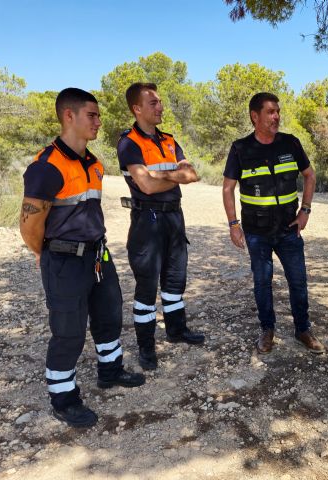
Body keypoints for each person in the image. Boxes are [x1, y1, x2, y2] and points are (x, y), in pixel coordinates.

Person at [20, 88, 145, 428]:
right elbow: (29, 224)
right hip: (64, 261)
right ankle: (63, 398)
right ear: (69, 116)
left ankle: (111, 370)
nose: (98, 121)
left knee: (108, 315)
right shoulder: (47, 166)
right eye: (92, 115)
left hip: (97, 256)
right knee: (68, 331)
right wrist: (42, 253)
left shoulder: (94, 162)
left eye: (99, 115)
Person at [222, 92, 325, 355]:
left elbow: (310, 176)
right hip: (257, 232)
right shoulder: (240, 148)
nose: (276, 116)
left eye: (277, 111)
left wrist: (306, 210)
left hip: (289, 229)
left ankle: (303, 329)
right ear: (254, 116)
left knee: (298, 281)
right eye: (270, 112)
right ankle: (267, 330)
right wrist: (234, 224)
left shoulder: (290, 143)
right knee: (262, 282)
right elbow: (228, 188)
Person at [118, 82, 204, 372]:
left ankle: (177, 331)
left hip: (174, 218)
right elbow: (145, 185)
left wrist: (158, 173)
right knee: (146, 288)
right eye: (153, 103)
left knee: (175, 280)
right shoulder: (129, 142)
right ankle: (146, 348)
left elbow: (192, 174)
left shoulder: (169, 139)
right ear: (137, 109)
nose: (160, 107)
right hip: (148, 221)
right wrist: (171, 173)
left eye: (160, 101)